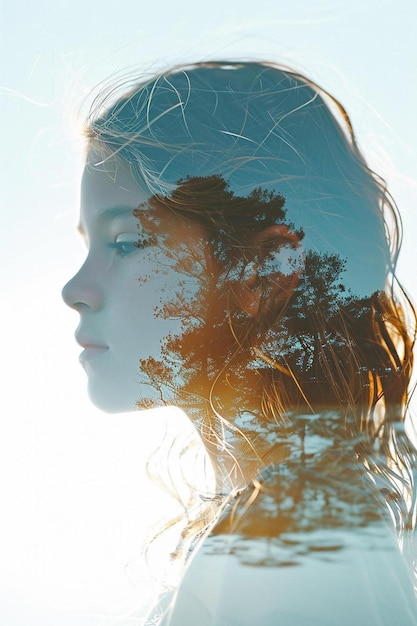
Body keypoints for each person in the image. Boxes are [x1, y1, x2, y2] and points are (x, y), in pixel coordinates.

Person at [62, 62, 417, 624]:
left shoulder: (283, 544)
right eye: (88, 246)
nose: (74, 290)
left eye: (126, 243)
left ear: (264, 271)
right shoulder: (304, 522)